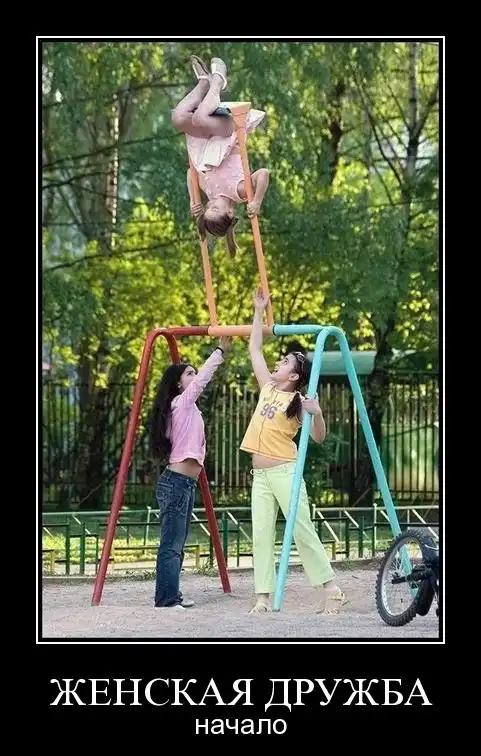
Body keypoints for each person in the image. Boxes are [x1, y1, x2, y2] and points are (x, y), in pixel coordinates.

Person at [240, 288, 347, 615]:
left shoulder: (299, 402)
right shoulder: (268, 388)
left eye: (284, 361)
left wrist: (318, 413)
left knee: (301, 529)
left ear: (295, 375)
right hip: (260, 475)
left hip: (285, 471)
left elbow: (318, 437)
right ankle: (263, 597)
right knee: (261, 535)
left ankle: (331, 589)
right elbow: (254, 349)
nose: (278, 362)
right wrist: (259, 311)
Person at [149, 337, 231, 609]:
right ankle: (166, 599)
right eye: (189, 373)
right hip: (176, 483)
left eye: (195, 372)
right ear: (178, 383)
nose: (195, 377)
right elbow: (202, 381)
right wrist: (219, 351)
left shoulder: (187, 408)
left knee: (177, 543)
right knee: (171, 544)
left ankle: (171, 594)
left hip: (183, 484)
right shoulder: (181, 403)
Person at [171, 54, 270, 258]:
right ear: (230, 213)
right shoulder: (240, 192)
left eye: (208, 208)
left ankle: (203, 83)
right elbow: (263, 174)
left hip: (207, 137)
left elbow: (191, 173)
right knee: (200, 117)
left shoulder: (209, 190)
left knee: (178, 118)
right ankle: (218, 80)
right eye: (215, 209)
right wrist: (257, 201)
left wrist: (193, 199)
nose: (211, 204)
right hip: (228, 130)